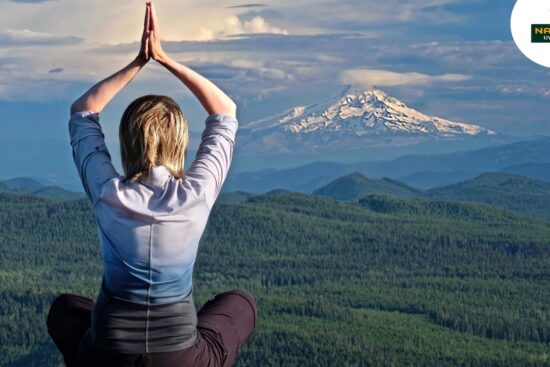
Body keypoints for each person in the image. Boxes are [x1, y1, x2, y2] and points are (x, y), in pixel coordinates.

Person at [45, 2, 257, 366]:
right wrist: (165, 58)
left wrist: (138, 62)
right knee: (240, 303)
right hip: (181, 356)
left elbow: (82, 111)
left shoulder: (109, 193)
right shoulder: (196, 193)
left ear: (127, 142)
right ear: (180, 142)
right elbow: (225, 113)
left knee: (66, 308)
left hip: (106, 353)